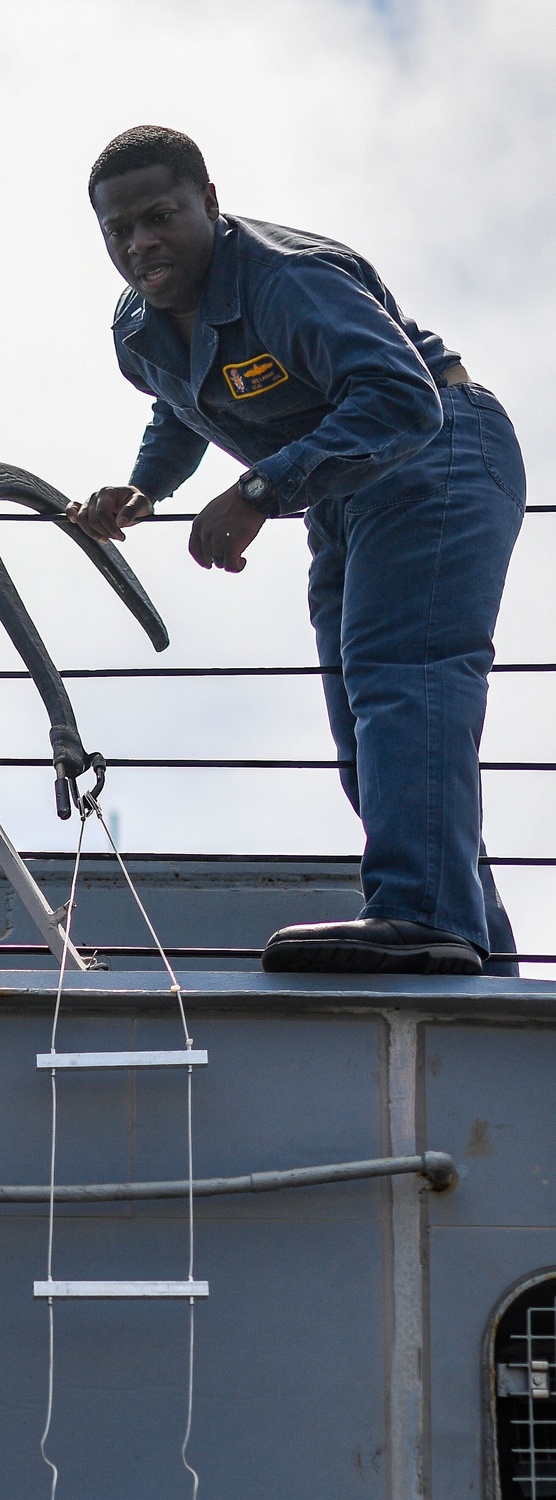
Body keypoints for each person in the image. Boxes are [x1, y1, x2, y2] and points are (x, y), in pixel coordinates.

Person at [69, 125, 526, 976]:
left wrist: (255, 492)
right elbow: (182, 405)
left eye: (161, 216)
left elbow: (403, 399)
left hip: (438, 454)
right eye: (118, 231)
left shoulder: (288, 278)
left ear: (209, 202)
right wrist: (147, 488)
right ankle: (473, 935)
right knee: (362, 717)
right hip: (340, 490)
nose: (140, 243)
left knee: (404, 677)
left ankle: (422, 915)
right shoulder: (140, 326)